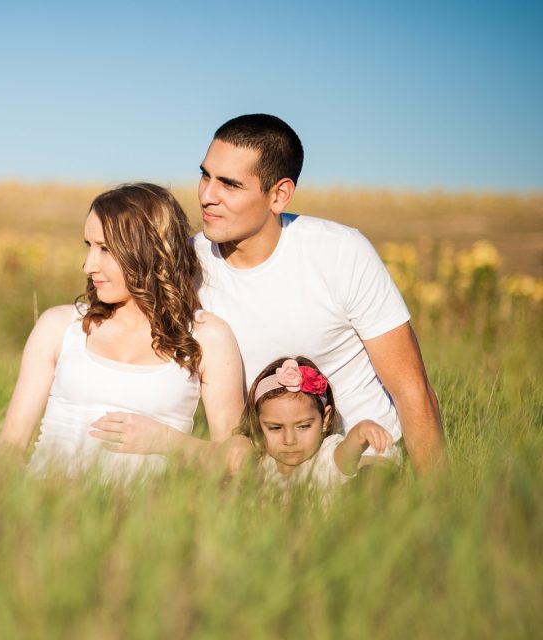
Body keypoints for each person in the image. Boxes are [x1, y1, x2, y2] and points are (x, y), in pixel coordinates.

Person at [95, 114, 445, 475]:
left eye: (230, 184)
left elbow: (412, 390)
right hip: (263, 466)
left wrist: (438, 507)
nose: (207, 195)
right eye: (205, 175)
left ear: (278, 195)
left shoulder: (341, 252)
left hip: (361, 460)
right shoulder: (186, 265)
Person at [0, 183, 244, 482]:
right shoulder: (59, 327)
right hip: (48, 508)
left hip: (147, 520)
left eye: (105, 249)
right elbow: (8, 450)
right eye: (88, 246)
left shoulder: (208, 336)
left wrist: (166, 441)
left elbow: (238, 460)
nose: (89, 265)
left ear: (150, 250)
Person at [238, 356, 393, 493]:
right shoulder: (261, 462)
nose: (290, 440)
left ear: (325, 420)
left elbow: (347, 454)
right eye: (275, 428)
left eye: (303, 426)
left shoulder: (326, 458)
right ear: (258, 424)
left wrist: (361, 431)